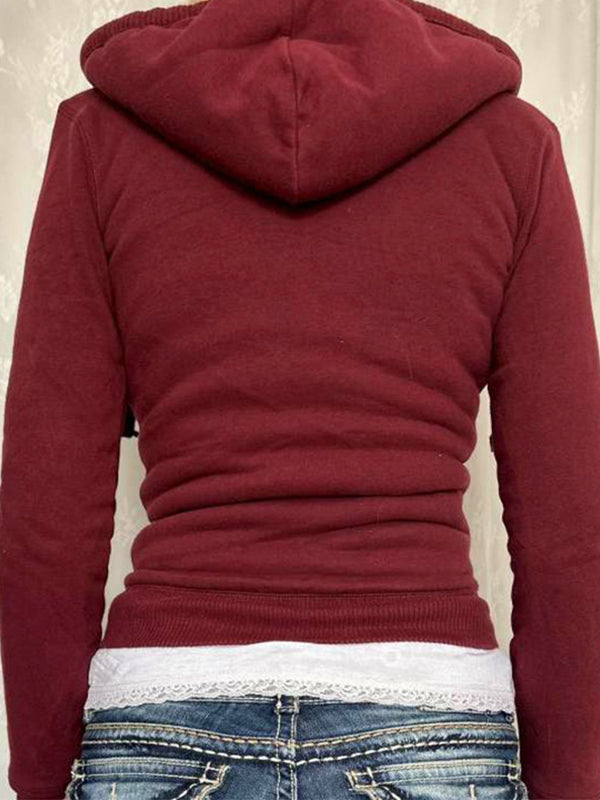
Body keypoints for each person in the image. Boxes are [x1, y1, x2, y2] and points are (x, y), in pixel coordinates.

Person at [1, 0, 599, 797]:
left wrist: (42, 778)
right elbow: (570, 520)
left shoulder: (99, 139)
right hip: (428, 715)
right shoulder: (513, 147)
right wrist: (569, 783)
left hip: (166, 709)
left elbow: (46, 506)